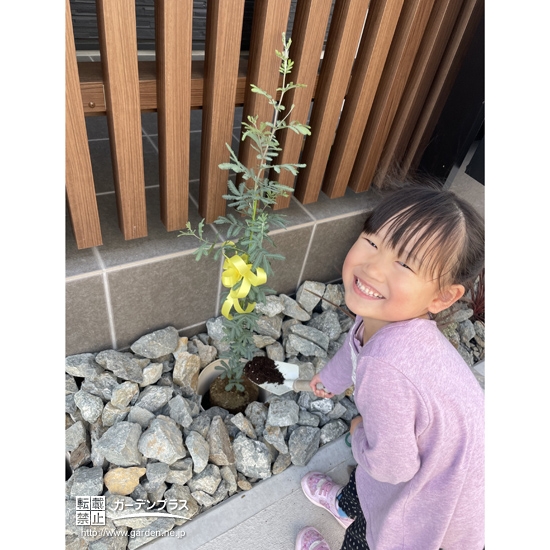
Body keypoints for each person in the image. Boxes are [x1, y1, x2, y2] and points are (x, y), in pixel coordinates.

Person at [295, 184, 485, 550]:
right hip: (445, 467)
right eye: (372, 240)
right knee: (368, 482)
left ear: (442, 296)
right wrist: (330, 380)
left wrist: (358, 435)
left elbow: (392, 468)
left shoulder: (388, 368)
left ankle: (358, 523)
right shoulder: (387, 319)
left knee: (370, 537)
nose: (372, 268)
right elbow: (355, 347)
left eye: (405, 263)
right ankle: (347, 505)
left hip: (432, 508)